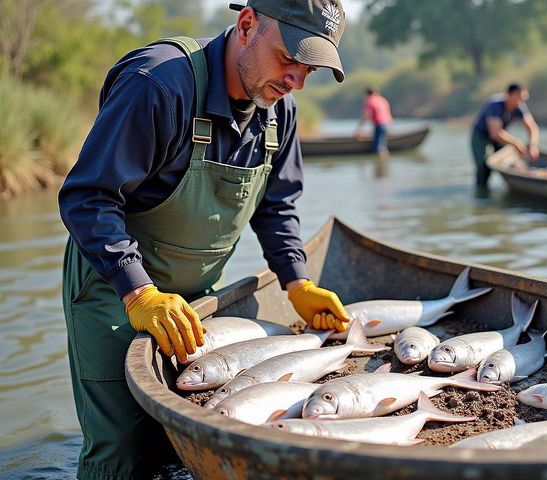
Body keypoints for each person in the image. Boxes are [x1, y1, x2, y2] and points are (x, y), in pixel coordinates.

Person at [58, 1, 348, 478]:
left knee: (188, 439)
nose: (296, 79)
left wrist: (297, 283)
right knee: (123, 449)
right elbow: (88, 197)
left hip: (197, 300)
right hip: (115, 290)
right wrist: (139, 291)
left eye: (310, 68)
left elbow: (276, 207)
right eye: (288, 58)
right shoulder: (158, 84)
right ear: (248, 23)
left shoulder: (281, 111)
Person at [471, 83, 540, 188]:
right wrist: (516, 143)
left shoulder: (520, 107)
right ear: (509, 95)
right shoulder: (494, 105)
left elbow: (532, 127)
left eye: (523, 99)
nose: (522, 102)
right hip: (481, 135)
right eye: (519, 98)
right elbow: (495, 133)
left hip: (500, 136)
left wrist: (533, 145)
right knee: (483, 166)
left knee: (508, 160)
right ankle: (482, 190)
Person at [355, 87, 393, 160]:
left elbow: (367, 115)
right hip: (386, 124)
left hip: (379, 124)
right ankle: (385, 165)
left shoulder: (370, 100)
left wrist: (359, 128)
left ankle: (379, 166)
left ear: (367, 94)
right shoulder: (382, 99)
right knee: (383, 145)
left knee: (379, 147)